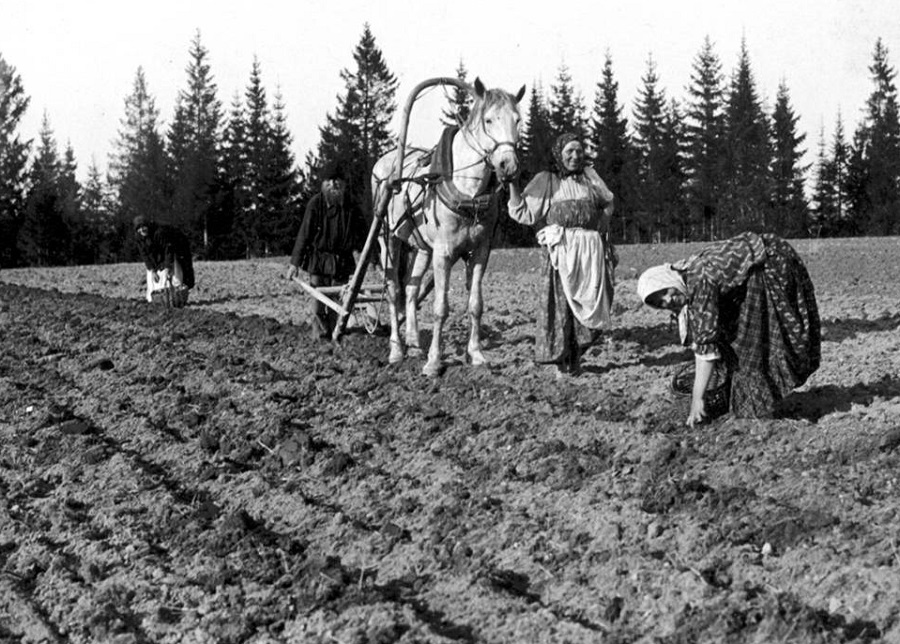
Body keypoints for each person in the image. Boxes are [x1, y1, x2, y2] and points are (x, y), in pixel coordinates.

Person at [637, 232, 821, 425]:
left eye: (664, 292)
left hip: (770, 263)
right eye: (659, 303)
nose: (667, 300)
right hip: (759, 265)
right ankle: (754, 399)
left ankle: (759, 406)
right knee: (733, 334)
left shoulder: (699, 279)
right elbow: (700, 334)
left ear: (668, 280)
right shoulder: (684, 275)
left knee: (751, 342)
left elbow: (705, 347)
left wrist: (697, 399)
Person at [507, 132, 617, 377]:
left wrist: (604, 223)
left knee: (590, 303)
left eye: (579, 151)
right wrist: (513, 184)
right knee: (561, 307)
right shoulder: (547, 180)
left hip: (589, 251)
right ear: (559, 154)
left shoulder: (590, 177)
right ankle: (560, 363)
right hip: (562, 251)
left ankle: (577, 359)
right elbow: (523, 213)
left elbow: (608, 201)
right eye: (569, 151)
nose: (575, 156)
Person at [286, 164, 368, 339]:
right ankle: (320, 337)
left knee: (337, 303)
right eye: (329, 181)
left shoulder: (351, 206)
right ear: (324, 184)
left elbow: (363, 235)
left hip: (342, 261)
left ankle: (335, 334)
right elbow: (304, 234)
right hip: (319, 260)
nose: (334, 184)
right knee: (318, 302)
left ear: (343, 184)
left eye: (337, 181)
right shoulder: (316, 204)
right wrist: (295, 264)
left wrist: (373, 258)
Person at [134, 216, 195, 307]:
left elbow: (168, 251)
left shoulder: (159, 233)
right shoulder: (139, 238)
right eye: (139, 228)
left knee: (175, 275)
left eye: (144, 227)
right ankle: (155, 300)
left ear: (148, 226)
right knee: (155, 278)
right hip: (158, 253)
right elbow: (145, 255)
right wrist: (152, 270)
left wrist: (167, 268)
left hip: (176, 247)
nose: (142, 230)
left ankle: (178, 297)